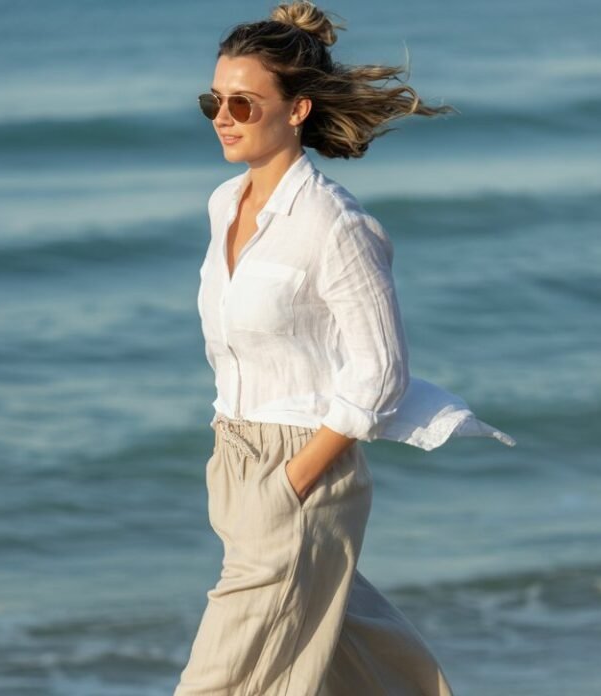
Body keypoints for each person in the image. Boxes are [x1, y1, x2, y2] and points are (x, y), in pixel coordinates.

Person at [175, 2, 515, 694]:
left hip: (300, 471)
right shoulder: (223, 204)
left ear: (296, 110)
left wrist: (294, 480)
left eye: (244, 102)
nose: (223, 116)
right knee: (361, 669)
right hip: (235, 462)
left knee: (219, 682)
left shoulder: (335, 224)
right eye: (215, 99)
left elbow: (382, 371)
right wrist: (249, 479)